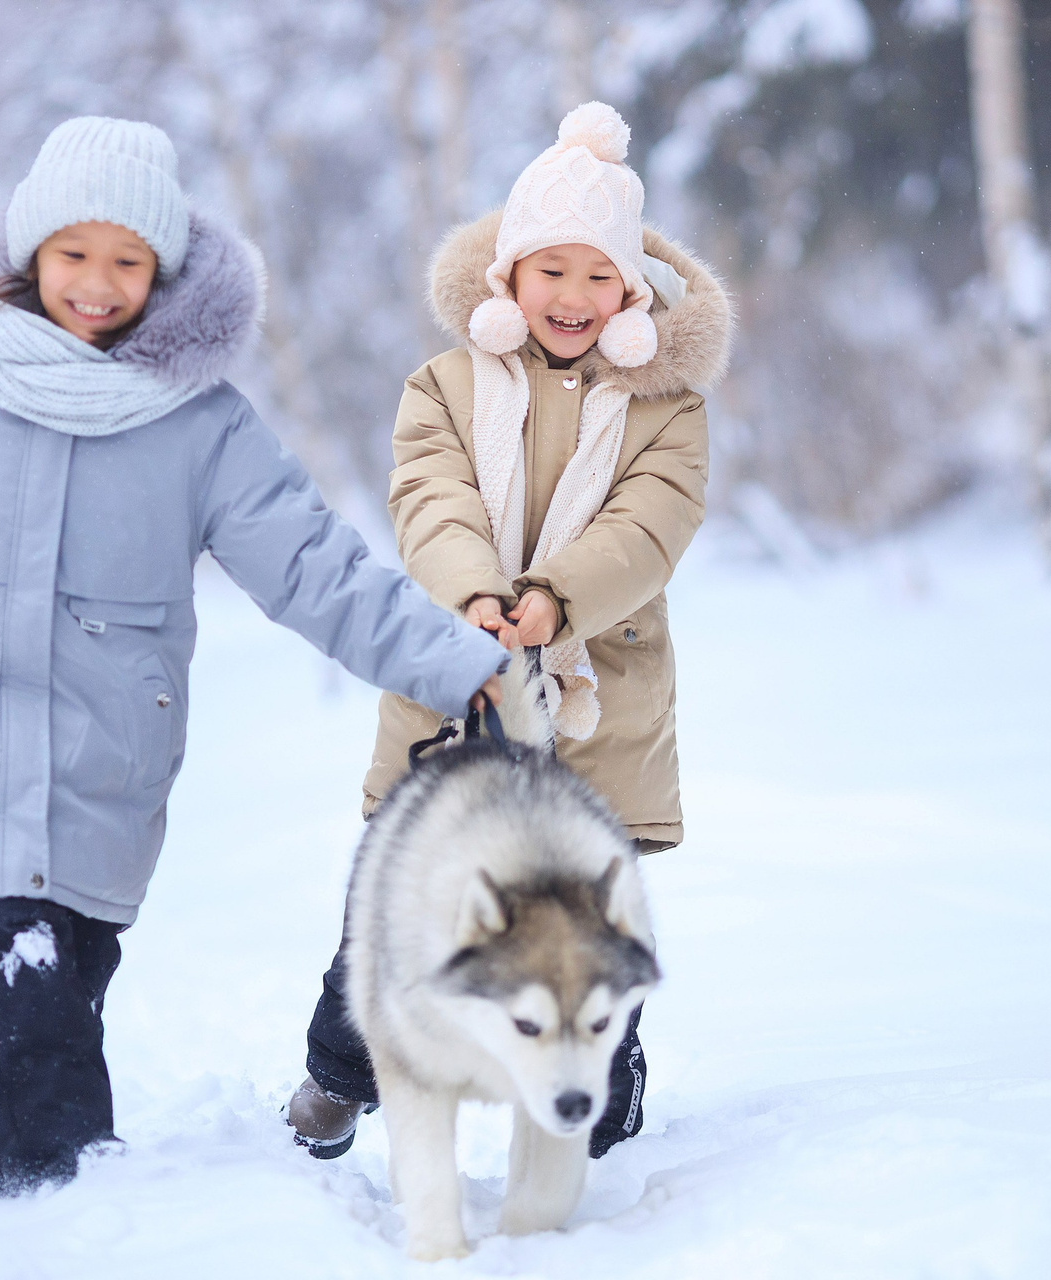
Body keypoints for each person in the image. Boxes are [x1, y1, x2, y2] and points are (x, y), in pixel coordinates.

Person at [0, 118, 512, 1196]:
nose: (97, 281)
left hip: (105, 753)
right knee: (22, 958)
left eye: (127, 260)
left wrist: (455, 661)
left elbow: (314, 566)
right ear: (30, 250)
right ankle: (77, 1198)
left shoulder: (201, 421)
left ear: (163, 272)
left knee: (64, 980)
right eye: (75, 252)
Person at [286, 103, 735, 1160]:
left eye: (597, 276)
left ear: (630, 290)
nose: (573, 297)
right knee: (400, 897)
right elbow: (429, 497)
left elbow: (652, 523)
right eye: (551, 272)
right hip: (453, 678)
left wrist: (556, 597)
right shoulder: (440, 387)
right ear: (508, 279)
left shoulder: (666, 408)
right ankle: (342, 1071)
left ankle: (598, 1086)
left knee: (582, 912)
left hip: (597, 700)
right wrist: (476, 598)